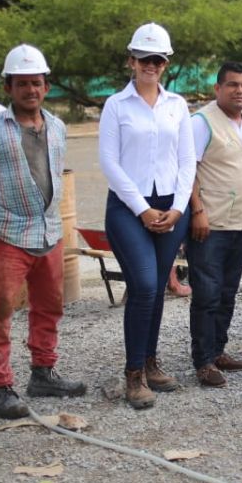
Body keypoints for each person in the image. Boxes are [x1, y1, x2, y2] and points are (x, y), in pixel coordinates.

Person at [0, 44, 86, 419]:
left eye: (36, 83)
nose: (30, 90)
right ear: (8, 88)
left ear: (46, 86)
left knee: (49, 306)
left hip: (49, 232)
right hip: (9, 236)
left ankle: (43, 372)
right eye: (22, 84)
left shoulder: (58, 127)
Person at [99, 22, 195, 409]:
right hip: (129, 208)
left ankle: (151, 361)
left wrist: (177, 209)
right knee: (143, 284)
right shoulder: (116, 105)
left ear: (165, 63)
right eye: (143, 58)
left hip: (171, 207)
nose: (150, 65)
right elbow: (109, 162)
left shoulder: (176, 105)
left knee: (156, 287)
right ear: (131, 61)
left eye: (157, 59)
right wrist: (142, 209)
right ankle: (133, 374)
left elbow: (188, 160)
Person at [185, 62, 242, 387]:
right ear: (218, 88)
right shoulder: (201, 123)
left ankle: (218, 350)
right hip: (210, 224)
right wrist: (197, 211)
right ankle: (202, 361)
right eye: (232, 85)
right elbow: (185, 169)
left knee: (228, 292)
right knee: (207, 293)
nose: (240, 91)